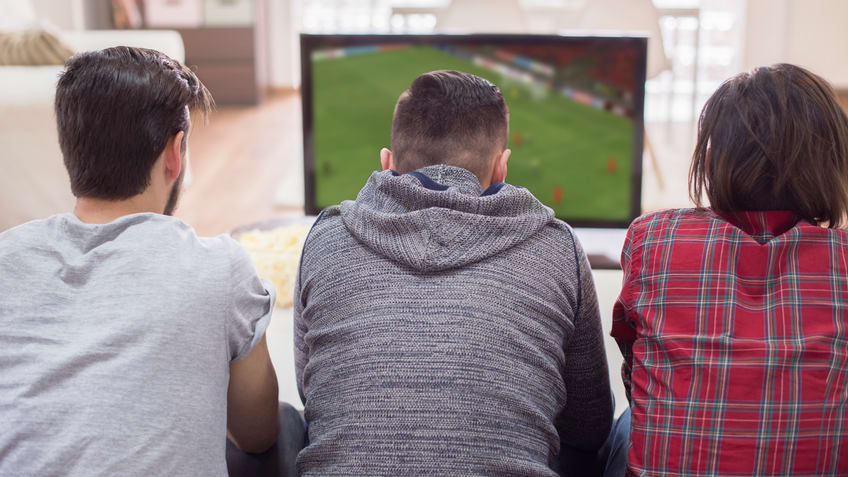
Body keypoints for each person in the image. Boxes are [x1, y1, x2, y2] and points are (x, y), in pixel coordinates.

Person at [294, 70, 624, 476]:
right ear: (502, 169)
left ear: (387, 163)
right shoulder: (557, 247)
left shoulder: (326, 238)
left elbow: (313, 394)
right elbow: (589, 426)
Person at [0, 47, 304, 476]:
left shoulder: (7, 255)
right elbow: (257, 433)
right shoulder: (220, 267)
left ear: (69, 146)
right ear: (175, 153)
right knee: (286, 423)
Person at [612, 63, 848, 476]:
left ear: (713, 155)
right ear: (831, 159)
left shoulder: (652, 237)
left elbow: (637, 376)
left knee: (622, 424)